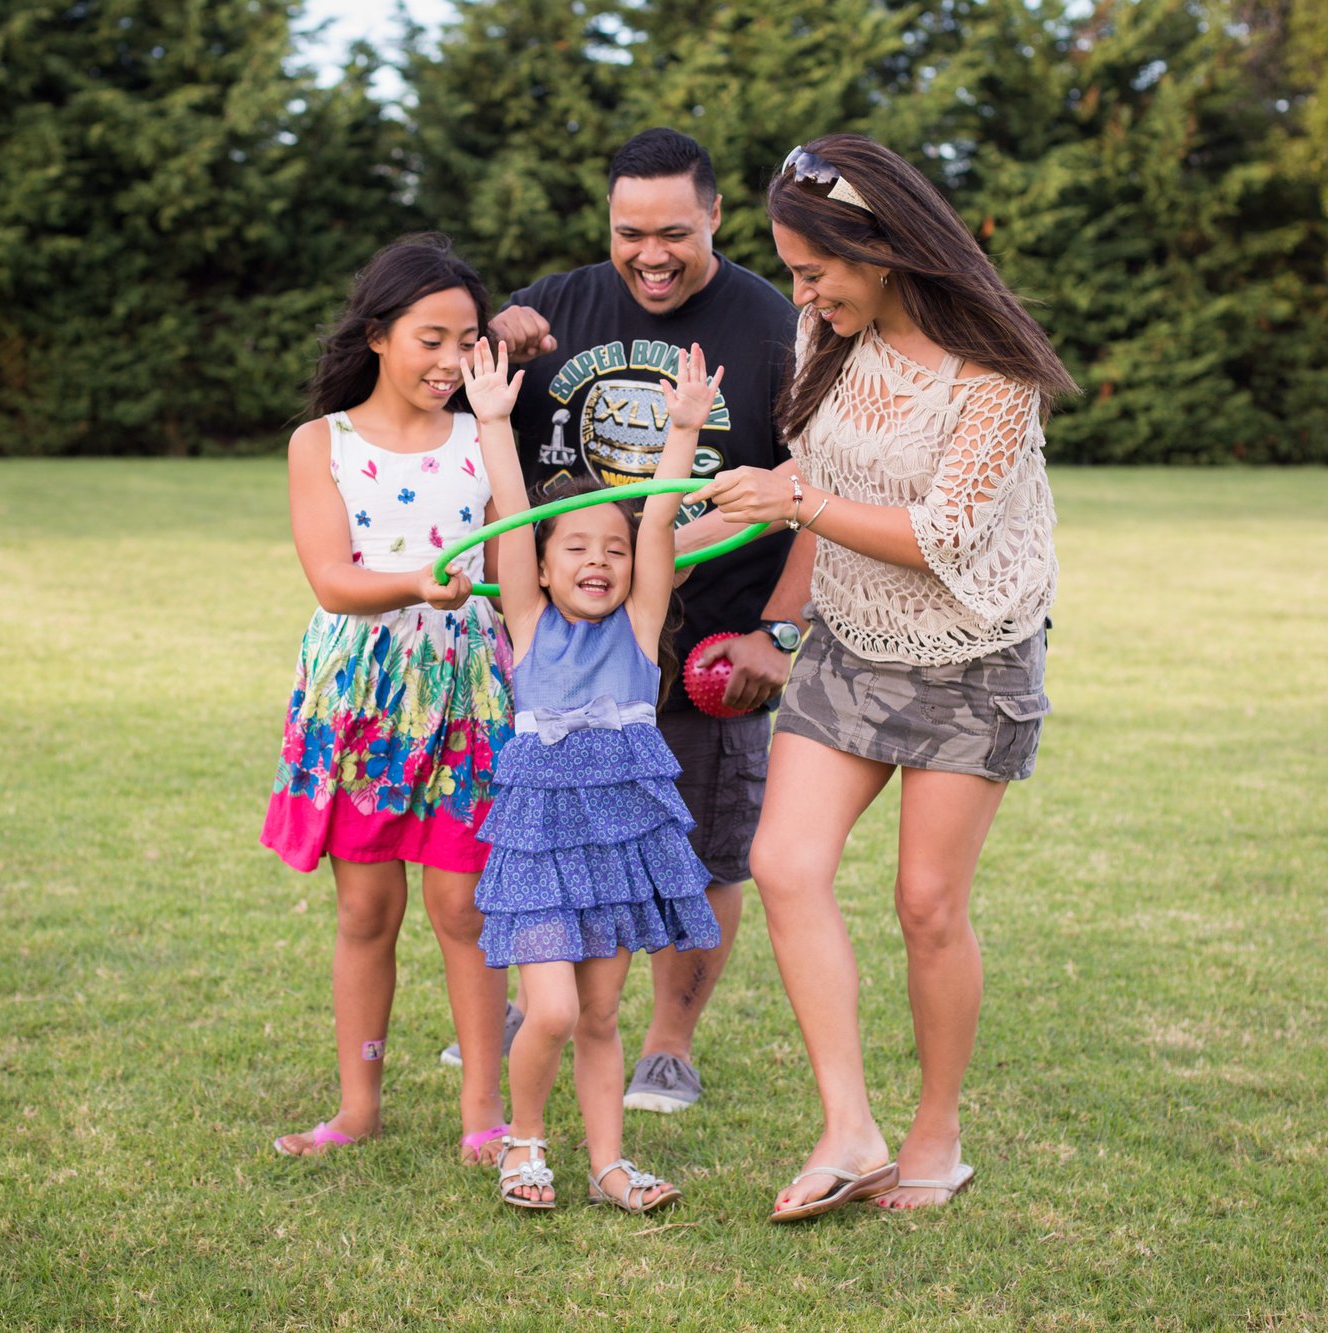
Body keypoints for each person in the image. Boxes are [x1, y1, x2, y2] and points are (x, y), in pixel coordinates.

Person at [692, 134, 1077, 1219]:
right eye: (792, 274)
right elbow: (815, 472)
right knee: (783, 862)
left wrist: (797, 503)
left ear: (883, 247)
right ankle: (848, 1128)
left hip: (974, 651)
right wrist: (708, 541)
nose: (800, 295)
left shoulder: (995, 370)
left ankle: (934, 1136)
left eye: (815, 271)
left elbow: (943, 534)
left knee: (927, 905)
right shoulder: (828, 330)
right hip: (852, 638)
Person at [452, 127, 810, 1116]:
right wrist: (490, 335)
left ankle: (667, 1044)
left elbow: (817, 486)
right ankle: (541, 1006)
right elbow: (464, 415)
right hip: (554, 650)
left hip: (706, 643)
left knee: (701, 848)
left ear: (715, 217)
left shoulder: (772, 327)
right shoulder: (552, 307)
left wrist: (777, 634)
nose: (650, 254)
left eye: (673, 233)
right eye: (629, 232)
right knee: (550, 835)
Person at [260, 235, 515, 1165]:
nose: (451, 362)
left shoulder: (484, 437)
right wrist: (418, 583)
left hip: (467, 690)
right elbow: (332, 580)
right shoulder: (319, 442)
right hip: (364, 693)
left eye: (467, 342)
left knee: (466, 908)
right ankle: (357, 1106)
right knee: (367, 908)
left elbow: (516, 567)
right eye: (430, 339)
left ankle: (484, 1114)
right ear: (377, 334)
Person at [461, 337, 724, 1212]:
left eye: (612, 548)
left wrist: (682, 431)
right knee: (553, 1012)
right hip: (541, 845)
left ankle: (609, 1163)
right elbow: (511, 511)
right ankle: (524, 1142)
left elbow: (659, 520)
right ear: (539, 567)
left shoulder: (639, 628)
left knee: (602, 1013)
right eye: (575, 546)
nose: (598, 561)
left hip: (615, 847)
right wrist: (494, 423)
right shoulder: (529, 623)